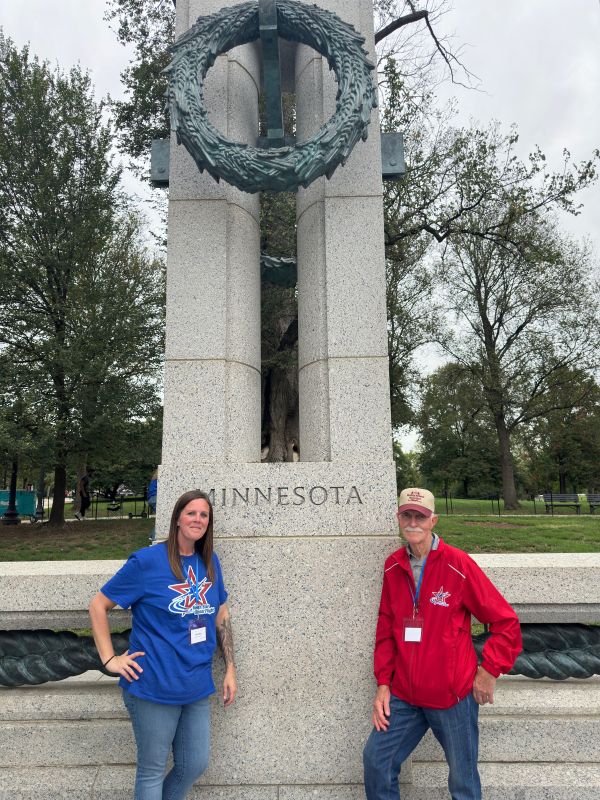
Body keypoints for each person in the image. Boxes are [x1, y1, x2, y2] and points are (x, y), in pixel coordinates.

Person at [363, 488, 522, 800]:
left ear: (433, 520)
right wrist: (383, 684)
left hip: (453, 697)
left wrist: (489, 671)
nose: (413, 522)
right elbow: (386, 630)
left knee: (463, 782)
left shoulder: (457, 565)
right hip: (405, 695)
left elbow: (506, 622)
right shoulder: (393, 566)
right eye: (406, 515)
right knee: (376, 761)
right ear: (398, 518)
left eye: (419, 516)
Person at [89, 489, 237, 800]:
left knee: (194, 763)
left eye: (204, 515)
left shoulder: (209, 562)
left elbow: (220, 611)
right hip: (153, 683)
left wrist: (230, 668)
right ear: (177, 519)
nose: (197, 519)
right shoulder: (147, 562)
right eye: (191, 513)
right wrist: (109, 659)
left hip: (196, 684)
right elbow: (98, 605)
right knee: (152, 770)